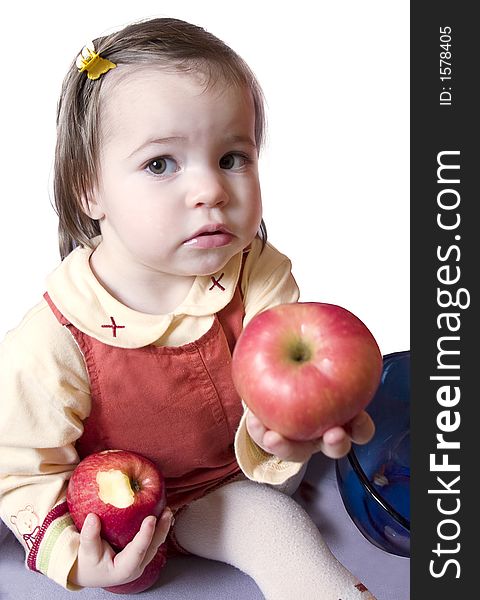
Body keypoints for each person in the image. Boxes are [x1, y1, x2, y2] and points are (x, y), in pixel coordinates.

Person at [0, 17, 376, 599]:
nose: (212, 189)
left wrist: (294, 428)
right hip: (127, 509)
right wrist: (74, 554)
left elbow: (277, 395)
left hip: (221, 487)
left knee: (269, 524)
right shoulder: (54, 338)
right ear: (88, 189)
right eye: (160, 164)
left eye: (232, 157)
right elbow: (24, 468)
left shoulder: (260, 273)